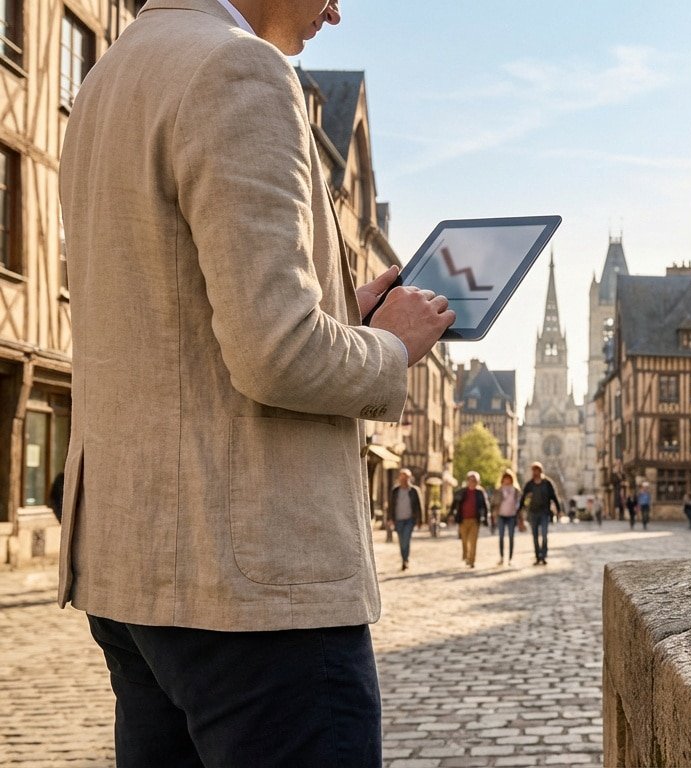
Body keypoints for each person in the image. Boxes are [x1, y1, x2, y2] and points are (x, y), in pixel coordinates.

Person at [56, 1, 456, 764]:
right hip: (254, 590)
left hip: (132, 573)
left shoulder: (112, 73)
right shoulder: (239, 67)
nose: (336, 12)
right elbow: (278, 353)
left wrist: (352, 314)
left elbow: (177, 312)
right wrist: (392, 349)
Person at [520, 462, 561, 566]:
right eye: (533, 470)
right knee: (534, 536)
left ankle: (543, 555)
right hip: (533, 513)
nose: (535, 472)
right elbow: (523, 497)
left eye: (537, 470)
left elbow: (554, 497)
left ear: (540, 471)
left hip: (544, 513)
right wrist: (520, 509)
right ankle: (538, 556)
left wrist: (559, 509)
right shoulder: (529, 484)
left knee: (544, 534)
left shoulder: (547, 483)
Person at [450, 471, 488, 569]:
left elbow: (485, 506)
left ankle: (472, 561)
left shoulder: (480, 493)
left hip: (475, 520)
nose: (472, 482)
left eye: (475, 480)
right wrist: (451, 515)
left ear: (478, 482)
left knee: (473, 541)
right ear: (467, 481)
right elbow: (454, 504)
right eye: (471, 480)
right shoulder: (462, 491)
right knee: (464, 540)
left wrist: (485, 518)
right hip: (463, 520)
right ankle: (466, 556)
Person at [389, 470, 423, 571]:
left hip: (409, 520)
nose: (403, 479)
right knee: (401, 541)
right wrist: (390, 518)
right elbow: (391, 505)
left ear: (409, 478)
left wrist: (420, 520)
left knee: (406, 540)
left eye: (406, 477)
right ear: (399, 478)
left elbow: (419, 506)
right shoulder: (395, 491)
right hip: (398, 520)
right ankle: (404, 559)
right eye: (402, 477)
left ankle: (405, 560)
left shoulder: (414, 490)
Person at [491, 469, 521, 565]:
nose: (507, 480)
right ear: (502, 479)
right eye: (505, 479)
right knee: (501, 537)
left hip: (512, 516)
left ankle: (510, 558)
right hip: (501, 515)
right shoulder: (499, 490)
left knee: (511, 537)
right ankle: (502, 557)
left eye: (509, 479)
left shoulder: (516, 490)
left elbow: (519, 503)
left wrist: (518, 511)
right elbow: (494, 503)